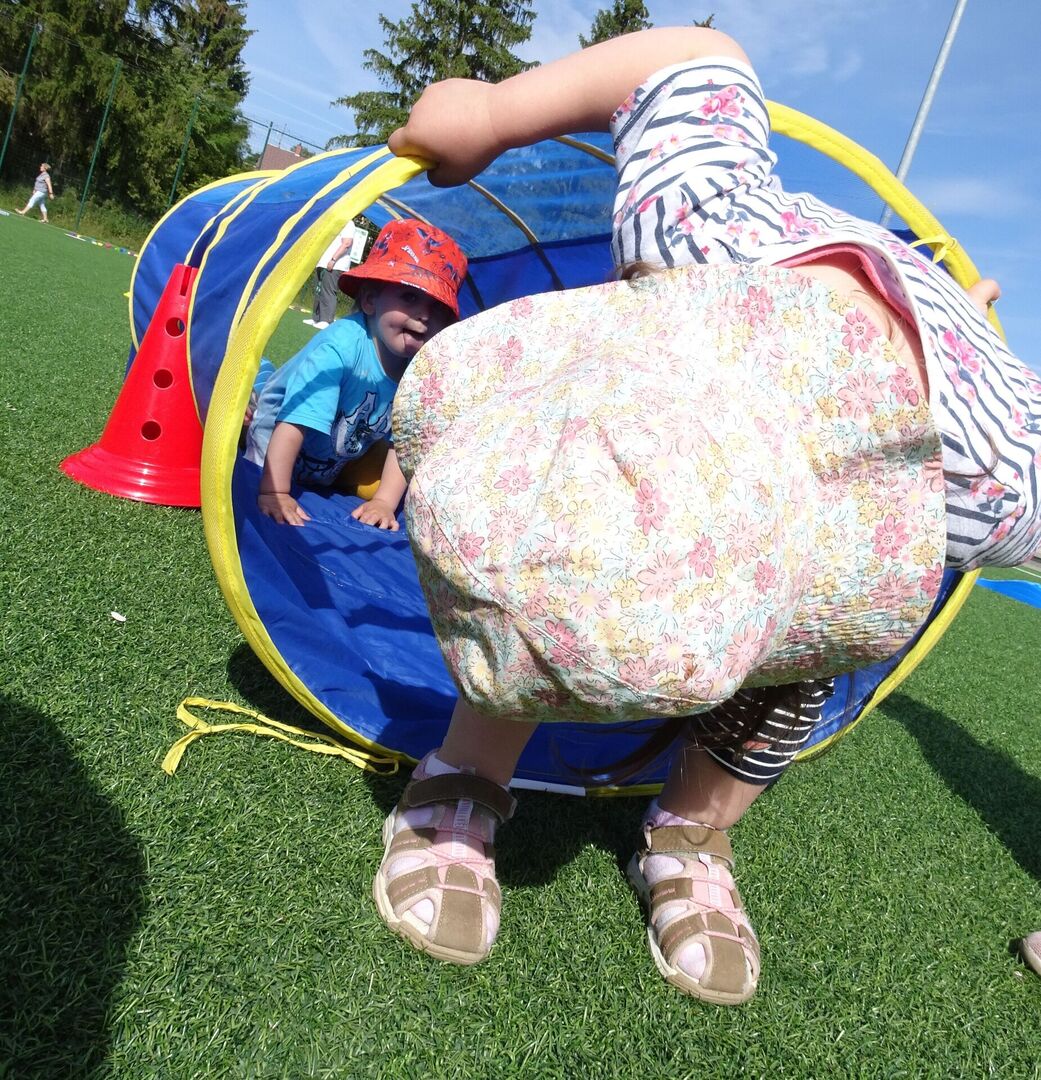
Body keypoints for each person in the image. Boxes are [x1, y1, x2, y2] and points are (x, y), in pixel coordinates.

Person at [369, 26, 1041, 1004]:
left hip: (931, 420)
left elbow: (696, 54)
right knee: (561, 540)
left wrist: (964, 328)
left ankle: (690, 830)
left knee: (806, 654)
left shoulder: (994, 484)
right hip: (771, 302)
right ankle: (468, 766)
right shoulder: (697, 231)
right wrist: (493, 113)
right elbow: (693, 60)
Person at [244, 218, 467, 529]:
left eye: (438, 307)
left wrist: (384, 502)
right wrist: (275, 490)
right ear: (370, 300)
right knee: (250, 447)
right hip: (277, 441)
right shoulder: (340, 349)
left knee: (382, 481)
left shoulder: (420, 372)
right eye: (410, 296)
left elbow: (402, 443)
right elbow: (294, 421)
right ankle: (251, 389)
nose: (425, 315)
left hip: (329, 457)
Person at [304, 221, 357, 330]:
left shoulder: (348, 223)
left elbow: (347, 243)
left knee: (328, 291)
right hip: (323, 263)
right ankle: (316, 318)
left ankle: (326, 320)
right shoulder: (334, 221)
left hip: (335, 265)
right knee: (319, 290)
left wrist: (333, 259)